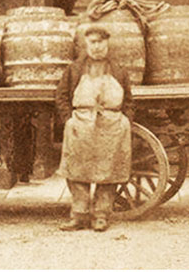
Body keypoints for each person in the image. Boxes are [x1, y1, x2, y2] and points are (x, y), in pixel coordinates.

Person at [54, 24, 134, 232]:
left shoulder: (118, 70)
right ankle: (79, 216)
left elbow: (129, 100)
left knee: (108, 172)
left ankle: (101, 216)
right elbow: (61, 96)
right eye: (92, 42)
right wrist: (68, 120)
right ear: (86, 44)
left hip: (112, 125)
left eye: (100, 42)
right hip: (81, 123)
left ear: (107, 43)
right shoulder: (74, 69)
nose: (97, 47)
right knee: (77, 170)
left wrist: (125, 120)